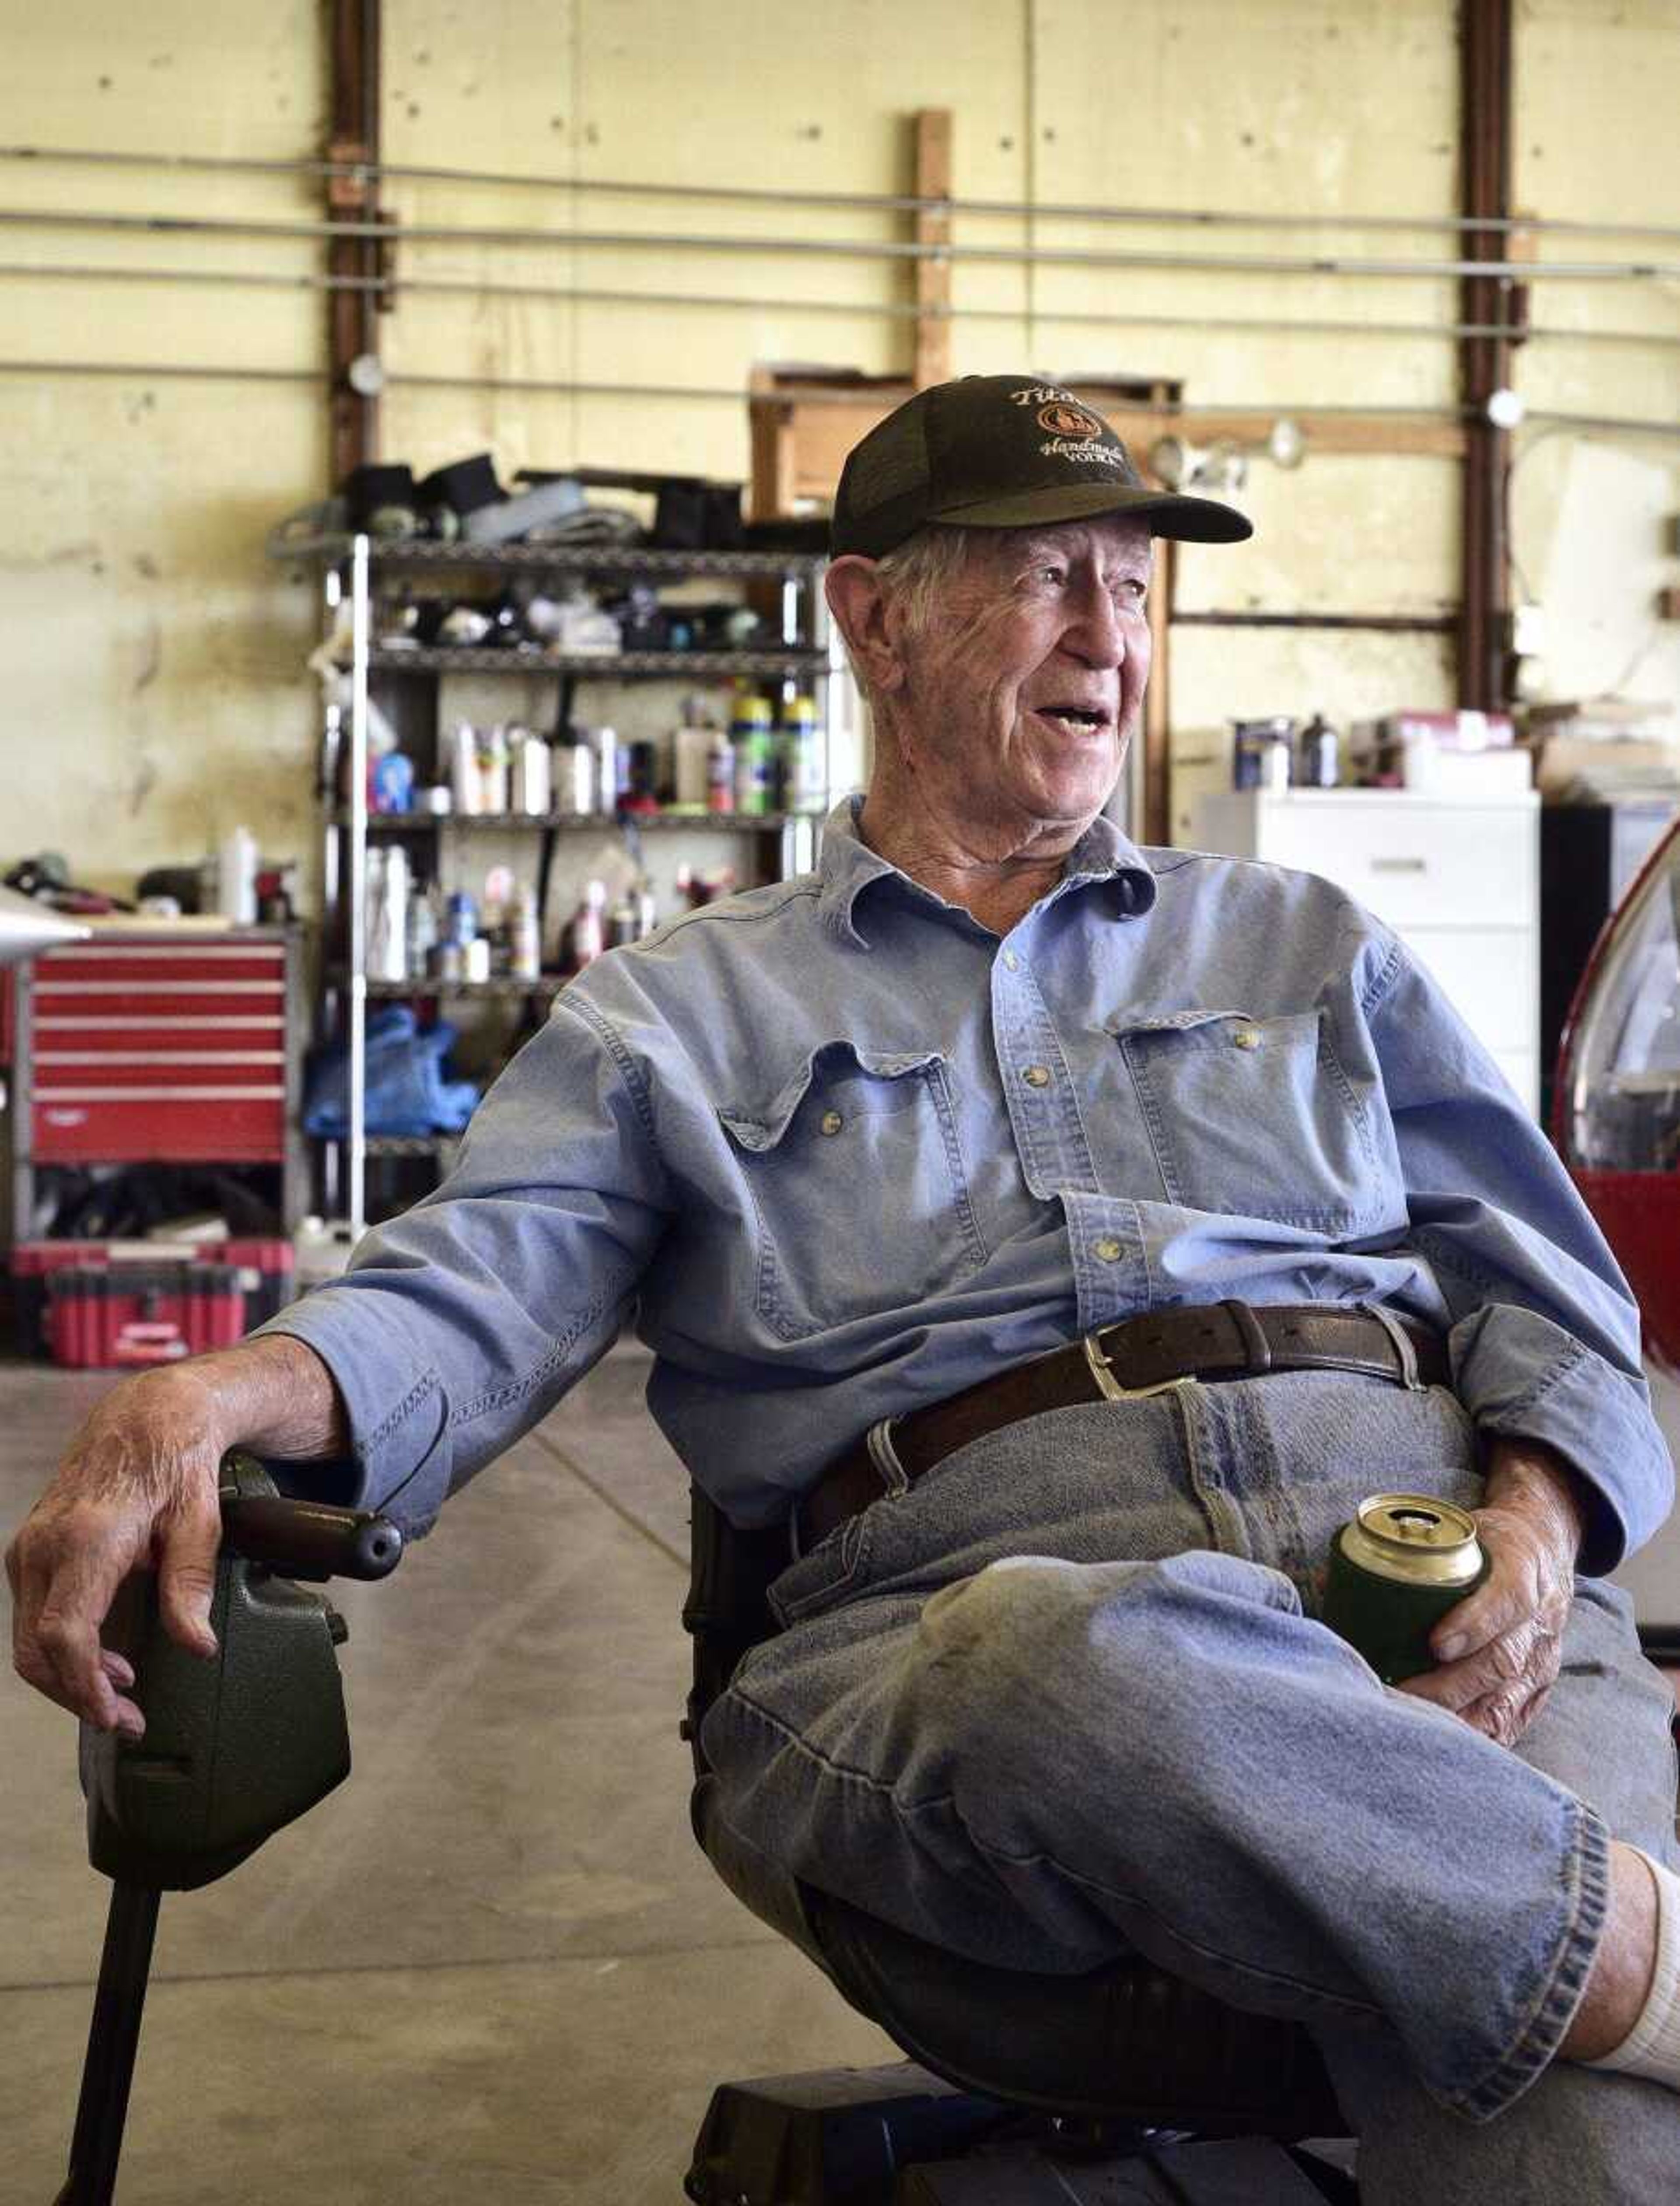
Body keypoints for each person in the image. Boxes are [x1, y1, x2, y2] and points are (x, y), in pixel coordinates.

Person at [8, 375, 1679, 2199]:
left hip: (1423, 1572)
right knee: (1081, 1665)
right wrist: (209, 1394)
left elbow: (1550, 1289)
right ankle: (1634, 1961)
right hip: (962, 1627)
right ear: (872, 618)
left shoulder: (1310, 943)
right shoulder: (675, 1018)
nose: (1107, 636)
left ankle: (1600, 1973)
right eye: (1048, 576)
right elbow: (469, 1292)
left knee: (1575, 2113)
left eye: (1133, 585)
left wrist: (1533, 1522)